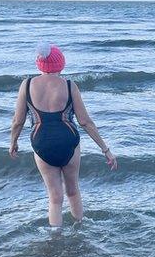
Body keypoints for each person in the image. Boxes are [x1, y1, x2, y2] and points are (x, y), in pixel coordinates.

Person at [9, 43, 117, 226]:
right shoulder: (69, 85)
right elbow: (85, 122)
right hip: (69, 141)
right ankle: (79, 229)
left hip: (42, 143)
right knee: (73, 191)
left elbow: (17, 121)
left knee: (55, 198)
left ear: (39, 64)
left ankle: (55, 238)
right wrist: (105, 150)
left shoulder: (26, 85)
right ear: (61, 64)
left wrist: (13, 142)